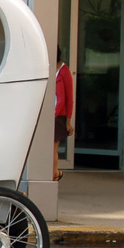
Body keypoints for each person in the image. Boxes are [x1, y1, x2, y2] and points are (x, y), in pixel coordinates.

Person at [54, 45, 74, 181]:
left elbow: (69, 98)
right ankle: (56, 173)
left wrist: (68, 121)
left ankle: (53, 175)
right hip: (44, 114)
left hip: (58, 116)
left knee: (52, 148)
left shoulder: (64, 70)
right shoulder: (46, 68)